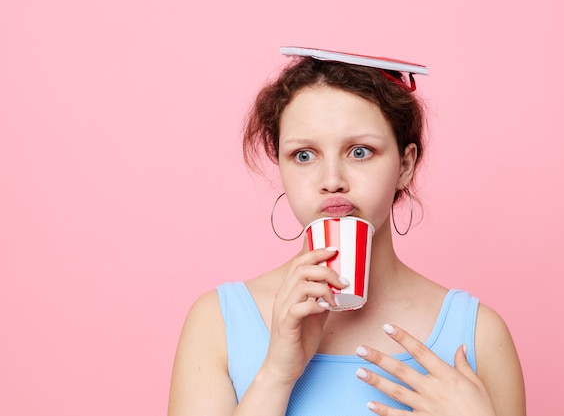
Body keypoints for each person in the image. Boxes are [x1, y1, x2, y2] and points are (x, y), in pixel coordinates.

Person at [167, 48, 526, 416]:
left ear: (405, 164)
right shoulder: (218, 322)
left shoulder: (479, 335)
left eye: (360, 151)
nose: (332, 181)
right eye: (304, 155)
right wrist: (275, 374)